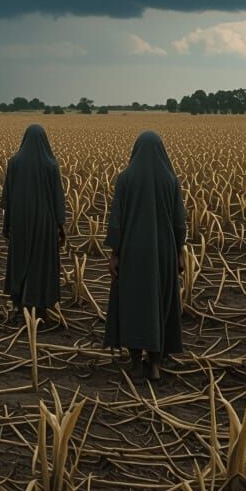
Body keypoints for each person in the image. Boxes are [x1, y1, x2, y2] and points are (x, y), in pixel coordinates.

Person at [104, 131, 187, 382]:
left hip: (133, 252)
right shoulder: (170, 180)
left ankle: (135, 363)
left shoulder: (125, 179)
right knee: (160, 302)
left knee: (133, 303)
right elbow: (179, 223)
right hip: (163, 252)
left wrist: (115, 253)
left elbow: (116, 221)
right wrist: (180, 251)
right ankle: (156, 364)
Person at [1, 124, 66, 322]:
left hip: (20, 221)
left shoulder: (14, 163)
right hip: (45, 223)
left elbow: (8, 198)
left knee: (21, 258)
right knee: (41, 261)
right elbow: (57, 198)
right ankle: (40, 304)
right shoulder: (51, 165)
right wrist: (61, 226)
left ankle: (20, 300)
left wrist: (7, 224)